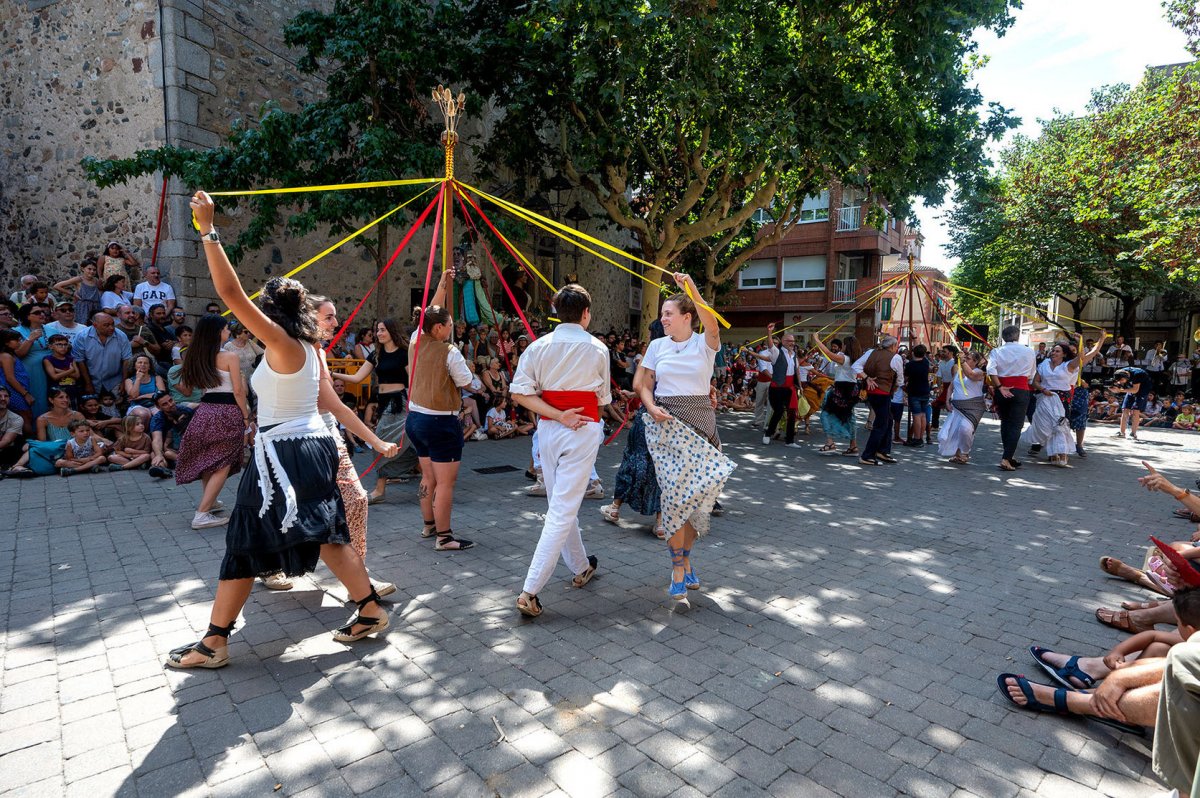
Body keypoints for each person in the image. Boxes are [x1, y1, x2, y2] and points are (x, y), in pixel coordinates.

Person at [164, 191, 388, 671]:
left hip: (285, 454)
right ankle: (368, 609)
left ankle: (215, 642)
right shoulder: (305, 347)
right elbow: (326, 401)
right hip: (304, 448)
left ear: (271, 314)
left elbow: (229, 295)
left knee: (249, 537)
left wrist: (207, 230)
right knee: (326, 535)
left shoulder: (285, 343)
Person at [510, 284, 610, 617]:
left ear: (556, 311)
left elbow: (520, 394)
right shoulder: (598, 349)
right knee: (561, 510)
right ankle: (530, 590)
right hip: (581, 428)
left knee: (559, 504)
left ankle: (581, 565)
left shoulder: (538, 347)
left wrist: (555, 414)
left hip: (550, 430)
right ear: (586, 313)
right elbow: (603, 398)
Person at [637, 273, 735, 607]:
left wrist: (691, 289)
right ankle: (677, 567)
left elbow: (714, 325)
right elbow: (643, 384)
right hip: (666, 427)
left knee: (696, 501)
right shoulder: (656, 346)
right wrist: (651, 408)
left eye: (668, 313)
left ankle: (687, 558)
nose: (662, 319)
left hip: (702, 425)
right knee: (674, 500)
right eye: (662, 314)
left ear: (686, 317)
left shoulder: (703, 344)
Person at [310, 296, 401, 597]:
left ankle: (358, 581)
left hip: (337, 432)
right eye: (329, 317)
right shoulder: (301, 351)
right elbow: (343, 395)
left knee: (355, 500)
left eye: (382, 329)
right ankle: (266, 563)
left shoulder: (405, 351)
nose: (337, 323)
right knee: (285, 510)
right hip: (297, 442)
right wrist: (374, 440)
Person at [405, 304, 475, 551]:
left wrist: (444, 282)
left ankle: (429, 525)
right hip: (440, 421)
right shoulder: (450, 351)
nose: (451, 330)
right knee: (445, 483)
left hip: (415, 419)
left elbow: (427, 313)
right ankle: (444, 537)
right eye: (449, 326)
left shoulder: (416, 341)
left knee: (428, 476)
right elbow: (467, 382)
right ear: (438, 327)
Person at [331, 315, 421, 504]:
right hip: (385, 403)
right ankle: (385, 488)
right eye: (376, 330)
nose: (378, 333)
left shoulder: (404, 353)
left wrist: (414, 405)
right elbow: (357, 378)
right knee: (391, 443)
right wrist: (330, 373)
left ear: (392, 331)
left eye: (382, 330)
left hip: (401, 403)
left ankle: (384, 489)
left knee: (402, 442)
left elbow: (414, 381)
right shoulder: (376, 354)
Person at [173, 314, 251, 530]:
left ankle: (211, 501)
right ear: (218, 332)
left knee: (211, 459)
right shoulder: (229, 357)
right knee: (223, 463)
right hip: (226, 411)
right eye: (226, 328)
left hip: (205, 410)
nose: (228, 331)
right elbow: (237, 390)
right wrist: (246, 416)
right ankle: (202, 514)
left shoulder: (196, 356)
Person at [1020, 340, 1082, 467]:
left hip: (1061, 399)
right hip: (1045, 398)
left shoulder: (1068, 365)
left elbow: (1082, 357)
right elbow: (1035, 382)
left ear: (1064, 354)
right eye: (1053, 350)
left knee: (1060, 426)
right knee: (1047, 426)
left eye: (1057, 351)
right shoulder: (1044, 364)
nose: (1054, 353)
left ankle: (1063, 453)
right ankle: (1053, 453)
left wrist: (1100, 340)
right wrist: (1043, 389)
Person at [986, 325, 1036, 472]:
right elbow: (1031, 374)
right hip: (1021, 389)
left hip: (1002, 389)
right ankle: (1006, 458)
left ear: (1003, 337)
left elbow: (990, 370)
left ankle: (1009, 455)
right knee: (1016, 425)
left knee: (1006, 423)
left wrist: (1000, 386)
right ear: (1018, 336)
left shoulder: (996, 351)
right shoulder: (1029, 351)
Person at [852, 335, 903, 466]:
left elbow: (856, 366)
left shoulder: (871, 352)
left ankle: (883, 450)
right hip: (883, 392)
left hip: (872, 391)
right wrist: (895, 388)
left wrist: (866, 377)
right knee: (881, 424)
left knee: (888, 419)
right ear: (893, 346)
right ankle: (868, 455)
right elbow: (900, 379)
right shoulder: (895, 358)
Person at [810, 334, 861, 456]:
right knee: (849, 417)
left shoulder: (844, 359)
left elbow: (827, 353)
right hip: (851, 388)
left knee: (826, 414)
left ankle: (830, 443)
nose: (841, 346)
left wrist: (817, 340)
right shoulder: (855, 358)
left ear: (846, 346)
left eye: (843, 344)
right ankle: (853, 446)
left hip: (842, 389)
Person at [936, 347, 987, 464]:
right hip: (957, 407)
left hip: (973, 407)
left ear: (975, 362)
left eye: (968, 358)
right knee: (956, 430)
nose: (965, 359)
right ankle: (958, 454)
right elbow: (951, 387)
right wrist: (948, 401)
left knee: (965, 429)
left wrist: (962, 361)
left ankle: (965, 452)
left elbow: (971, 375)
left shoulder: (979, 373)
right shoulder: (958, 371)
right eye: (965, 358)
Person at [73, 312, 132, 399]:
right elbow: (80, 361)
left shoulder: (121, 336)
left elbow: (127, 360)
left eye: (112, 324)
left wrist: (124, 381)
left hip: (115, 381)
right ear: (95, 325)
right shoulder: (82, 336)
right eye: (106, 325)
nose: (111, 328)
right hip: (91, 380)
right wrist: (88, 383)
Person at [762, 324, 802, 449]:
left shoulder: (794, 355)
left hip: (790, 388)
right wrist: (769, 332)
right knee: (778, 411)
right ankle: (768, 433)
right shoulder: (776, 352)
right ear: (783, 342)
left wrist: (800, 386)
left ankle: (790, 440)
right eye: (789, 341)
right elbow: (770, 344)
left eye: (793, 341)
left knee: (792, 414)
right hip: (776, 388)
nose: (792, 343)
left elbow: (797, 371)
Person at [1067, 335, 1107, 458]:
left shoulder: (1079, 361)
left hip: (1078, 392)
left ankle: (1079, 445)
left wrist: (1102, 338)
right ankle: (1058, 445)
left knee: (1081, 417)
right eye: (1070, 351)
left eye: (1075, 351)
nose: (1072, 353)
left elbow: (1094, 352)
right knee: (1061, 419)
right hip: (1064, 391)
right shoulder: (1059, 362)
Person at [14, 303, 52, 418]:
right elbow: (19, 354)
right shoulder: (16, 331)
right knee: (37, 400)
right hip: (31, 373)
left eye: (42, 312)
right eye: (36, 313)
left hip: (52, 371)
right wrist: (30, 339)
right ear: (27, 316)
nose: (41, 314)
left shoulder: (52, 330)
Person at [0, 329, 34, 434]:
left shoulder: (12, 354)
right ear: (6, 342)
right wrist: (25, 394)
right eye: (16, 340)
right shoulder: (6, 356)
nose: (20, 343)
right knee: (25, 417)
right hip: (15, 392)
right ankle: (27, 443)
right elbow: (10, 378)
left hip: (18, 391)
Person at [148, 391, 188, 478]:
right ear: (158, 407)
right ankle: (160, 469)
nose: (170, 404)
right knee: (154, 454)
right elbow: (157, 439)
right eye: (165, 404)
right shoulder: (157, 419)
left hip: (187, 448)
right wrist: (159, 455)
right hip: (169, 449)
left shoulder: (185, 410)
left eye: (170, 400)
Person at [1113, 365, 1154, 441]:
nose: (1120, 382)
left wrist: (1120, 390)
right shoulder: (1120, 372)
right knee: (1125, 410)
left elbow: (1135, 390)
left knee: (1135, 411)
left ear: (1125, 377)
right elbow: (1119, 383)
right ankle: (1122, 433)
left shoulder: (1137, 374)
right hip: (1131, 388)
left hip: (1142, 390)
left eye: (1121, 381)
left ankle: (1133, 433)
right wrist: (1113, 387)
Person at [903, 344, 932, 446]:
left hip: (914, 392)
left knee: (916, 416)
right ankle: (920, 438)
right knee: (923, 415)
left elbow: (905, 378)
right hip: (925, 391)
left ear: (913, 353)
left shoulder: (910, 365)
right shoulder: (925, 362)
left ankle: (917, 438)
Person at [123, 354, 166, 422]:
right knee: (143, 414)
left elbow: (161, 394)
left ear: (149, 366)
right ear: (134, 366)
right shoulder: (129, 381)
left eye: (146, 363)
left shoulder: (157, 378)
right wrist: (138, 379)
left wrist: (141, 396)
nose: (143, 365)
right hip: (137, 406)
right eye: (140, 362)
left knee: (160, 414)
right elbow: (133, 396)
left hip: (154, 405)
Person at [0, 387, 25, 469]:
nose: (3, 399)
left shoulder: (16, 418)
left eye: (6, 396)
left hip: (5, 452)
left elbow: (6, 441)